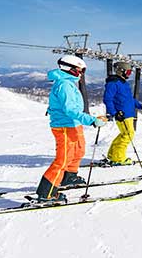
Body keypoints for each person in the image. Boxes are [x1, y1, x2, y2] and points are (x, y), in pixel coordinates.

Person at [36, 55, 107, 203]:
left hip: (73, 125)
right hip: (64, 126)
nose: (80, 74)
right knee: (63, 159)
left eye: (82, 71)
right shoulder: (64, 85)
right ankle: (46, 193)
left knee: (79, 151)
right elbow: (70, 110)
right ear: (70, 69)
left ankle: (69, 177)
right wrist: (92, 120)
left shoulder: (69, 83)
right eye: (79, 70)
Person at [103, 61, 142, 165]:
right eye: (128, 72)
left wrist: (140, 106)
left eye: (130, 72)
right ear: (121, 71)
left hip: (128, 114)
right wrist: (115, 113)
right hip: (122, 114)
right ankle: (119, 158)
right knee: (128, 135)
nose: (129, 74)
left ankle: (113, 155)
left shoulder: (124, 83)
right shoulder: (113, 83)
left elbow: (129, 99)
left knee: (125, 134)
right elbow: (107, 99)